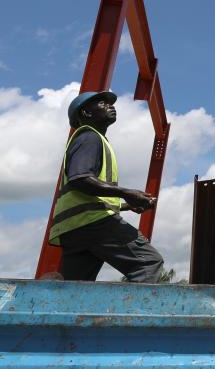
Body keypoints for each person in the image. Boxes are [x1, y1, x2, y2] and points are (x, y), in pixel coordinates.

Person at [49, 90, 164, 283]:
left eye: (109, 103)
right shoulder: (89, 137)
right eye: (102, 103)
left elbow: (87, 195)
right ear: (85, 113)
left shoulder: (89, 140)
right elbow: (81, 178)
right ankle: (130, 313)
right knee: (148, 263)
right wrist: (126, 192)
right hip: (93, 222)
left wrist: (127, 204)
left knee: (75, 287)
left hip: (74, 229)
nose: (111, 106)